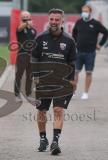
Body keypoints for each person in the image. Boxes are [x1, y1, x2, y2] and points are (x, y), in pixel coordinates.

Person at [32, 8, 76, 155]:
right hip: (43, 81)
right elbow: (34, 57)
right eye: (52, 19)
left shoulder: (69, 40)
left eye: (57, 19)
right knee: (42, 111)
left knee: (58, 110)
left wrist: (72, 80)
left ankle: (55, 142)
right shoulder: (40, 38)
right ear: (48, 19)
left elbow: (72, 62)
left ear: (62, 20)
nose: (54, 22)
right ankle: (43, 139)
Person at [72, 5, 108, 100]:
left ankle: (85, 93)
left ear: (90, 12)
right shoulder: (79, 22)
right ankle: (73, 91)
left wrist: (100, 44)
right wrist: (75, 42)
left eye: (86, 11)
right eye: (83, 11)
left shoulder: (96, 23)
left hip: (90, 52)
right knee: (75, 72)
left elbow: (106, 33)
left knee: (88, 72)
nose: (84, 12)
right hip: (79, 51)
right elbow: (74, 32)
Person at [14, 11, 37, 102]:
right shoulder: (19, 28)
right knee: (19, 75)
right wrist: (27, 23)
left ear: (30, 17)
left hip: (31, 55)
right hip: (22, 55)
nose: (26, 17)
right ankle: (17, 95)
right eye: (24, 16)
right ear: (21, 17)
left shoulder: (33, 30)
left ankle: (28, 94)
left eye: (27, 16)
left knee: (30, 75)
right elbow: (20, 28)